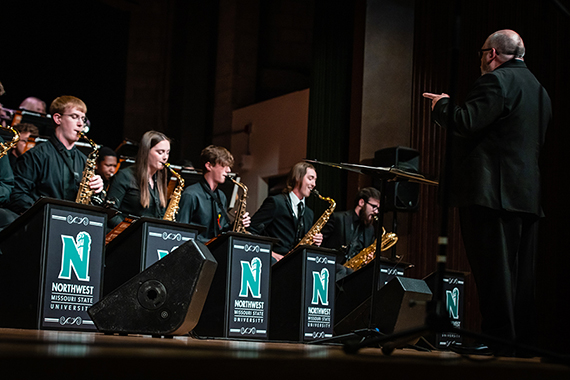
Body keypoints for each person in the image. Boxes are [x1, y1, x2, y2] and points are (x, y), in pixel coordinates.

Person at [423, 30, 551, 355]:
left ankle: (496, 340)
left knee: (493, 273)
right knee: (521, 279)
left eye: (482, 53)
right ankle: (520, 344)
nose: (481, 59)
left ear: (491, 53)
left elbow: (467, 121)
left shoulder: (496, 81)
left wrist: (443, 105)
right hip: (528, 197)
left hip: (493, 194)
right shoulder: (541, 91)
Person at [9, 96, 104, 214]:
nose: (81, 124)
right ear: (58, 119)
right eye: (74, 117)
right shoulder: (35, 155)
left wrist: (97, 190)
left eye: (83, 119)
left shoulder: (83, 160)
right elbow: (17, 196)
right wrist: (48, 213)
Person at [248, 161, 323, 263]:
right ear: (298, 177)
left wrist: (315, 242)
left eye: (315, 180)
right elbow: (251, 231)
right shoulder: (276, 203)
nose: (314, 184)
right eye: (310, 178)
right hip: (274, 262)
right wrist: (270, 253)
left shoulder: (309, 213)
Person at [178, 145, 250, 243]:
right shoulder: (191, 194)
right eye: (224, 166)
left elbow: (222, 229)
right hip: (196, 250)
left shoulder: (221, 196)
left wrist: (237, 224)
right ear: (209, 166)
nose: (228, 170)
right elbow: (181, 232)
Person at [106, 130, 171, 228]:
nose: (165, 157)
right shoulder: (124, 176)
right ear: (146, 152)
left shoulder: (159, 179)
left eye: (167, 152)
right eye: (160, 152)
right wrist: (129, 230)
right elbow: (110, 213)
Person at [321, 187, 381, 278]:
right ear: (361, 202)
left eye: (377, 208)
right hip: (332, 270)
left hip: (355, 274)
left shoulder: (370, 229)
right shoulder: (338, 218)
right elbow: (321, 243)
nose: (376, 211)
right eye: (373, 207)